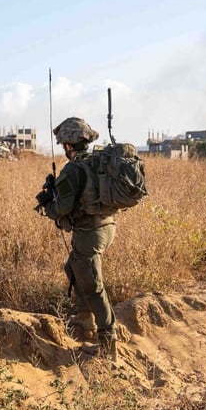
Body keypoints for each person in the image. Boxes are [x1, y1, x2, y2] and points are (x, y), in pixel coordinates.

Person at [39, 117, 118, 360]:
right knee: (72, 267)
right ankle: (85, 318)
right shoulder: (96, 161)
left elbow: (62, 208)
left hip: (89, 233)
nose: (63, 148)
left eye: (64, 144)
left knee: (93, 287)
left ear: (70, 146)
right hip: (106, 227)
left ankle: (108, 346)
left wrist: (47, 206)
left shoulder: (73, 168)